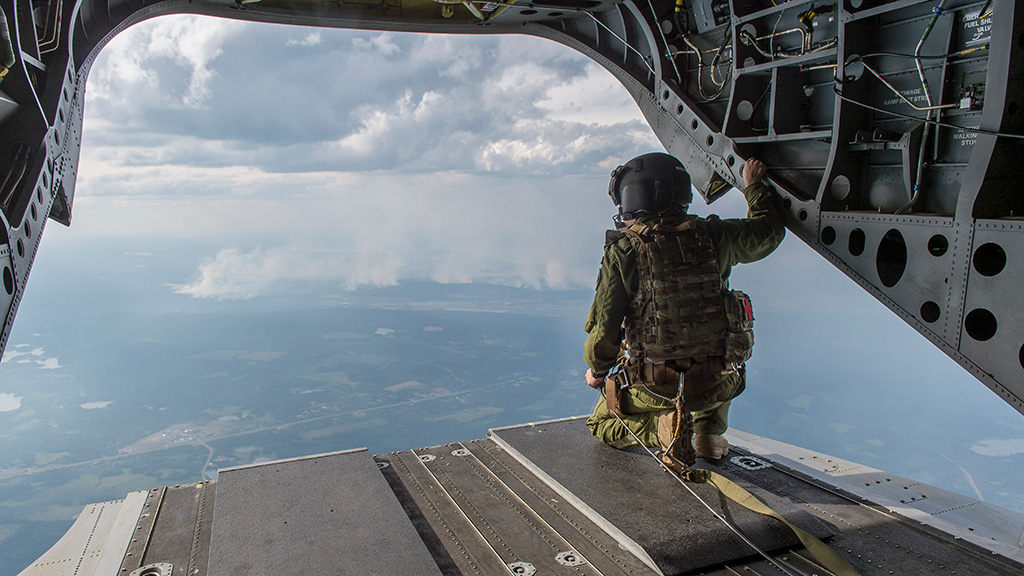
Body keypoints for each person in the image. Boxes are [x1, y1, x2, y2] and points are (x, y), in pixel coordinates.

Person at [583, 152, 784, 471]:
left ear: (632, 197)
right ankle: (709, 435)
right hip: (717, 384)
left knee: (600, 424)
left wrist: (596, 370)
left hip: (655, 388)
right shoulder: (716, 235)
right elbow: (769, 232)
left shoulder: (624, 249)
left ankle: (662, 429)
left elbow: (605, 327)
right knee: (711, 365)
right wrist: (754, 187)